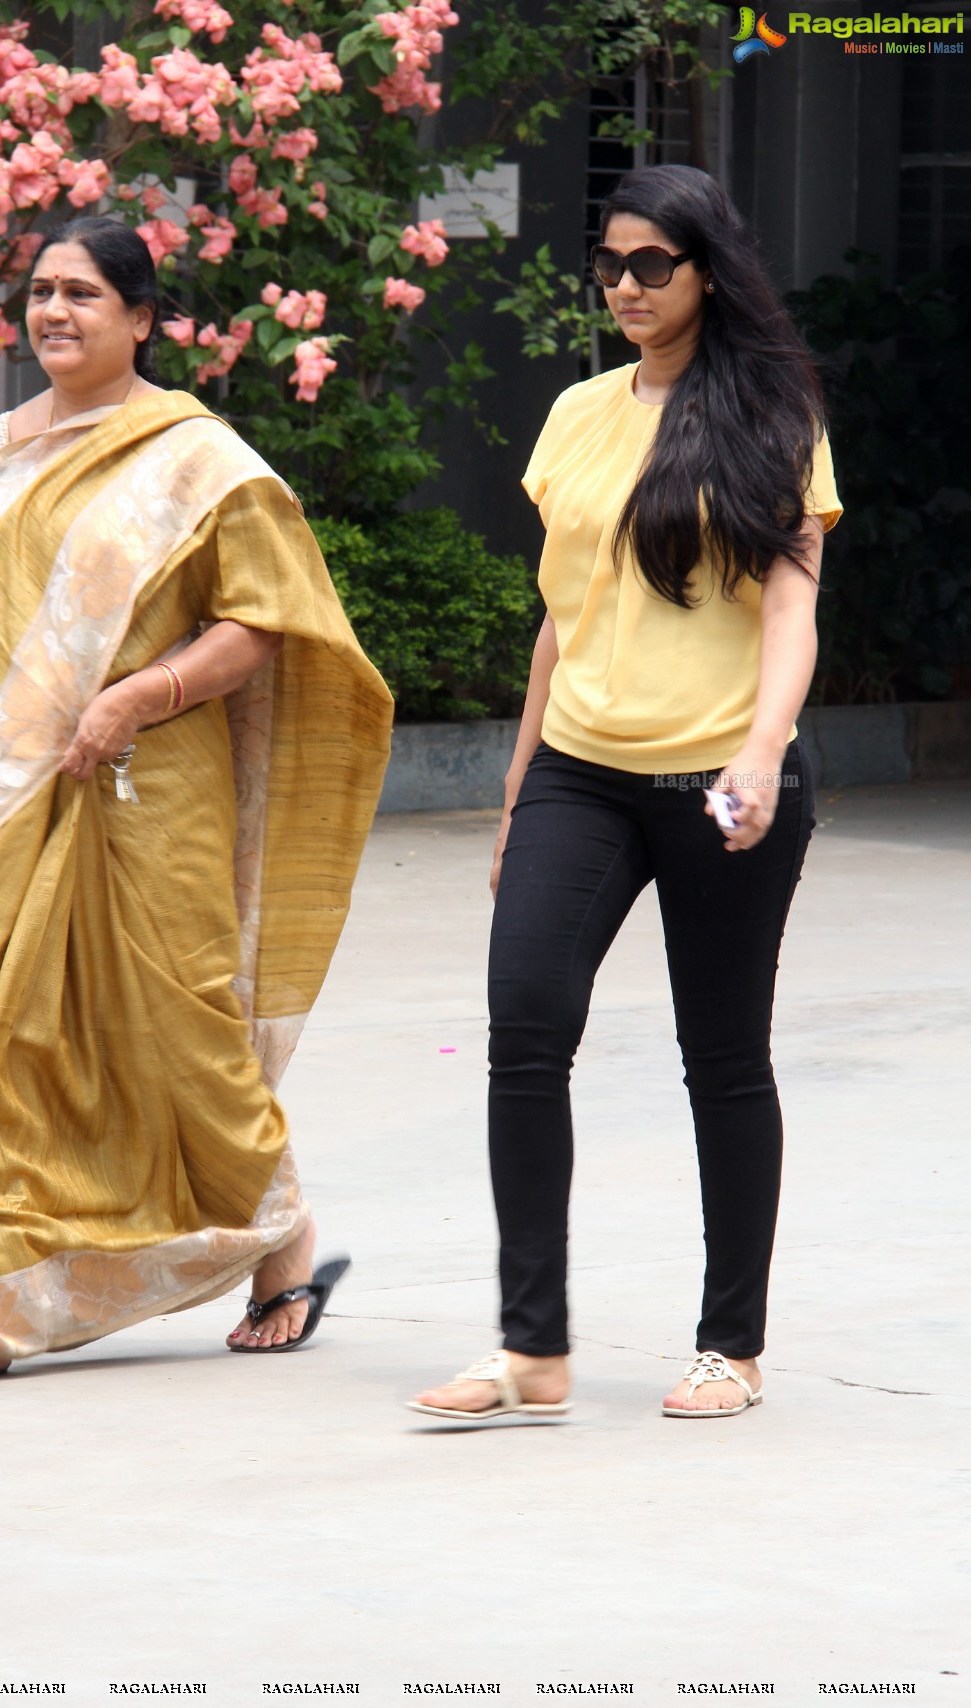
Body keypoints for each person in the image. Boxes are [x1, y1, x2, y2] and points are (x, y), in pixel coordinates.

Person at [0, 216, 392, 1391]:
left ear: (143, 319)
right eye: (40, 291)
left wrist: (138, 697)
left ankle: (283, 1241)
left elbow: (258, 626)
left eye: (84, 294)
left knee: (181, 1039)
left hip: (151, 787)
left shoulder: (200, 459)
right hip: (6, 794)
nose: (54, 312)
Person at [411, 165, 841, 1426]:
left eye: (654, 264)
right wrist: (514, 785)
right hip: (581, 771)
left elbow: (792, 605)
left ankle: (731, 1345)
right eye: (610, 264)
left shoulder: (775, 412)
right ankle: (532, 1348)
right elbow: (564, 616)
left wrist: (763, 754)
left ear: (709, 269)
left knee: (723, 1060)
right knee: (525, 1028)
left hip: (722, 773)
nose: (627, 286)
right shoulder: (576, 414)